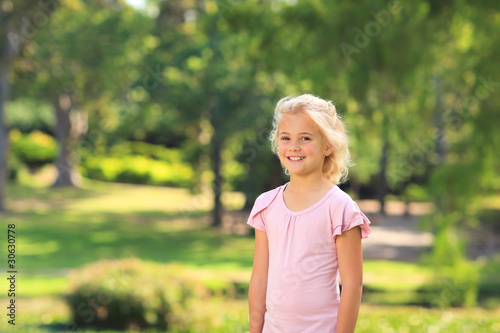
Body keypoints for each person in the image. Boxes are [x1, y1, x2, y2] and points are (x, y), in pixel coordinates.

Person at [247, 94, 372, 333]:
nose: (294, 146)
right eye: (286, 138)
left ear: (328, 145)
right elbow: (260, 279)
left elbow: (353, 285)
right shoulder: (266, 204)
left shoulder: (340, 208)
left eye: (305, 138)